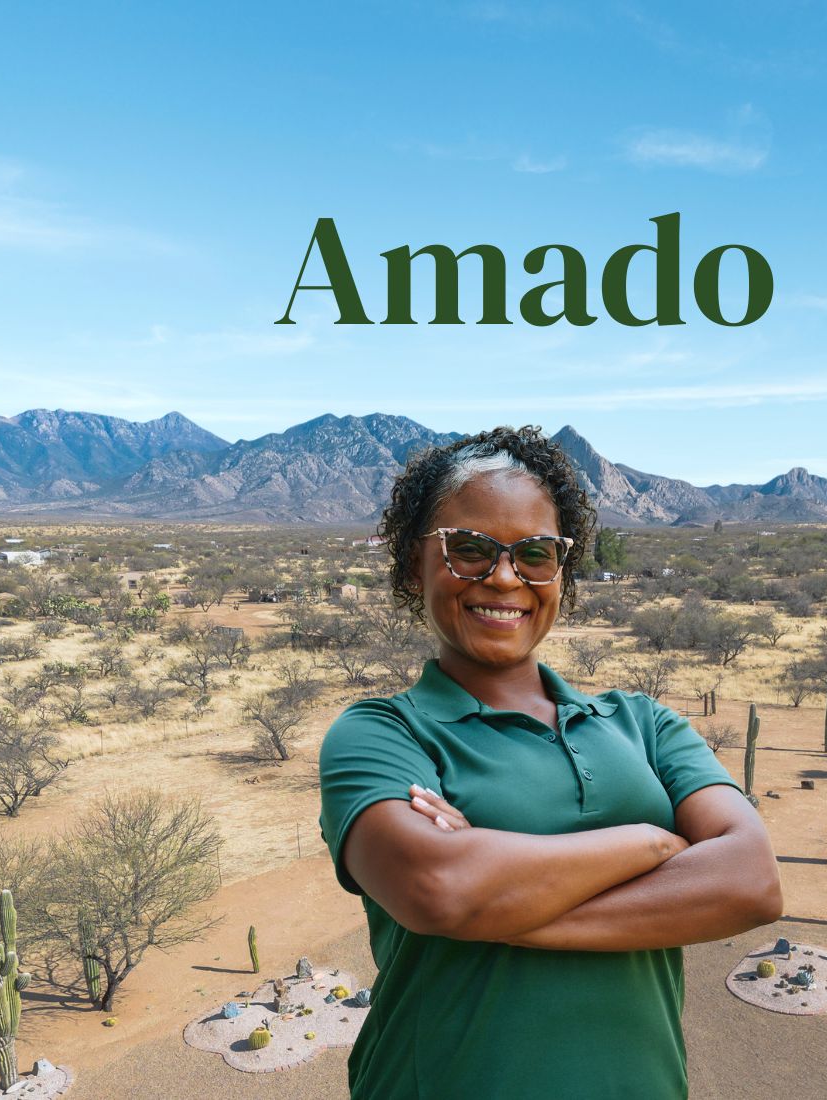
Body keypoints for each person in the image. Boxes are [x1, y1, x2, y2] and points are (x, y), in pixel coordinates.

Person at [319, 426, 782, 1100]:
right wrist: (654, 842)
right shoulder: (382, 733)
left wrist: (496, 904)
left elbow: (751, 881)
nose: (504, 577)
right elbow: (439, 889)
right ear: (411, 561)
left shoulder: (643, 723)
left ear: (560, 570)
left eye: (535, 553)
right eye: (469, 549)